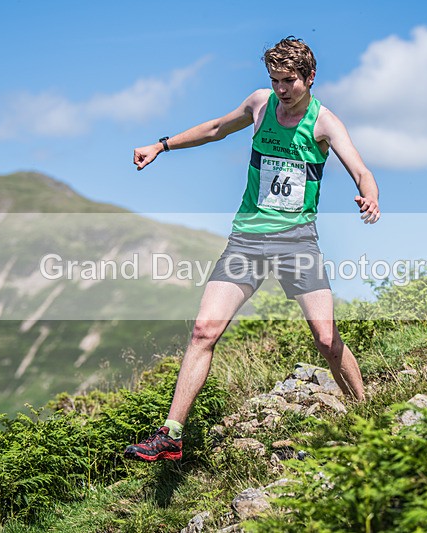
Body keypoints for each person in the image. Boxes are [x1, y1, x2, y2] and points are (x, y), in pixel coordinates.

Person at [124, 36, 380, 461]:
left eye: (290, 81)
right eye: (275, 80)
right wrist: (161, 145)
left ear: (310, 77)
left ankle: (367, 414)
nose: (281, 90)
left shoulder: (325, 123)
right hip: (247, 239)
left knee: (325, 337)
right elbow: (215, 129)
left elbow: (361, 169)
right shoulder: (261, 104)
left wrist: (369, 196)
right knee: (204, 330)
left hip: (297, 242)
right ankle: (171, 434)